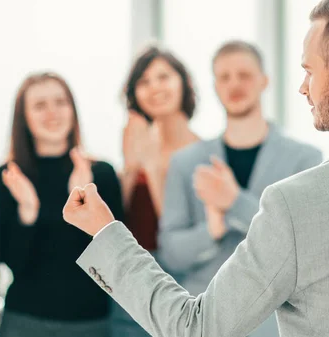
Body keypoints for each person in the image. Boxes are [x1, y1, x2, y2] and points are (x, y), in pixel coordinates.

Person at [63, 0, 329, 336]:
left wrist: (105, 231)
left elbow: (196, 328)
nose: (303, 87)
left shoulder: (295, 202)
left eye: (309, 70)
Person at [157, 40, 321, 336]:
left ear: (264, 81)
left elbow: (305, 247)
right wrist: (212, 230)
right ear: (215, 86)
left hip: (274, 325)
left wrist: (234, 201)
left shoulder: (304, 159)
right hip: (200, 320)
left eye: (244, 75)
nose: (234, 84)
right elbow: (170, 252)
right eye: (224, 77)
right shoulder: (185, 162)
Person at [0, 72, 124, 337]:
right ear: (24, 118)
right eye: (40, 105)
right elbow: (14, 263)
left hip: (90, 323)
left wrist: (83, 202)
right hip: (24, 322)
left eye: (60, 102)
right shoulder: (9, 176)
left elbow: (116, 260)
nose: (52, 112)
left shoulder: (102, 174)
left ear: (72, 110)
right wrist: (28, 210)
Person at [115, 46, 200, 337]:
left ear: (183, 83)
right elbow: (117, 221)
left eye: (163, 77)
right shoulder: (135, 140)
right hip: (129, 281)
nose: (154, 88)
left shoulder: (203, 153)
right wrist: (130, 166)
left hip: (181, 284)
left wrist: (152, 170)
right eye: (144, 81)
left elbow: (182, 235)